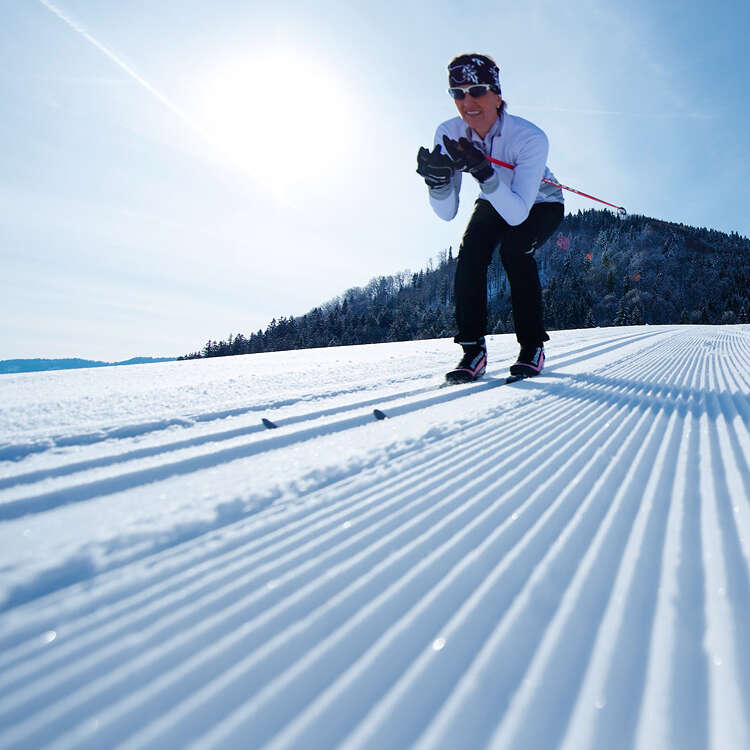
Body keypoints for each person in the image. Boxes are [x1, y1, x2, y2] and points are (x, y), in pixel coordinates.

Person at [416, 53, 564, 383]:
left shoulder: (530, 138)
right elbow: (446, 213)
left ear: (497, 95)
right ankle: (472, 350)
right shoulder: (448, 132)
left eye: (478, 90)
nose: (468, 101)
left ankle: (532, 346)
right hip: (494, 199)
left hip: (540, 202)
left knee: (515, 250)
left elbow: (517, 214)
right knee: (470, 256)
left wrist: (484, 171)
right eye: (457, 93)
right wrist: (438, 184)